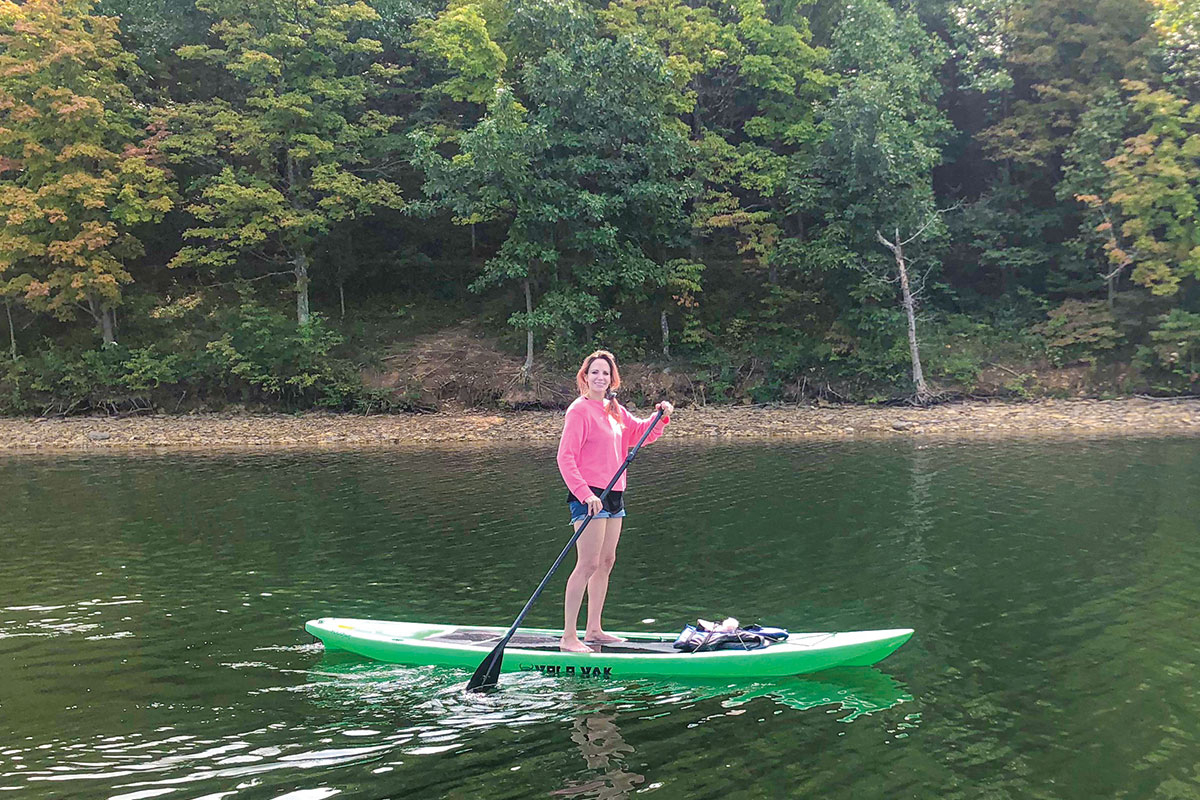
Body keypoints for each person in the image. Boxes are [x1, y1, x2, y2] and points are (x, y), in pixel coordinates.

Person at [556, 349, 673, 653]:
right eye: (594, 372)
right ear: (585, 376)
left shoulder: (614, 409)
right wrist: (585, 494)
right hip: (589, 496)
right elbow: (565, 458)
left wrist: (660, 417)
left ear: (612, 379)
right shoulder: (578, 411)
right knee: (588, 563)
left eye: (605, 373)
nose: (600, 377)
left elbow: (639, 433)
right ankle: (569, 636)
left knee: (606, 562)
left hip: (614, 495)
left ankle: (594, 629)